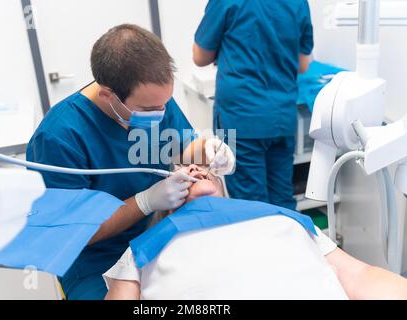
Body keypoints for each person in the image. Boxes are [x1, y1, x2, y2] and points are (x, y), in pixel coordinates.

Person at [26, 24, 235, 300]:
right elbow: (72, 233)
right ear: (107, 96)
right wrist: (145, 201)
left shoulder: (153, 100)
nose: (161, 113)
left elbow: (182, 146)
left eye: (165, 104)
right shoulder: (59, 138)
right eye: (150, 109)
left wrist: (208, 149)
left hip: (159, 238)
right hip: (96, 260)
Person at [103, 165, 407, 300]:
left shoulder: (284, 219)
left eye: (203, 170)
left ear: (225, 191)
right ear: (167, 205)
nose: (195, 170)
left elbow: (359, 276)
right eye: (185, 174)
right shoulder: (144, 246)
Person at [193, 0, 314, 210]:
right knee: (282, 201)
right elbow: (303, 65)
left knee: (251, 207)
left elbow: (200, 57)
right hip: (281, 117)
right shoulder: (299, 3)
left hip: (242, 118)